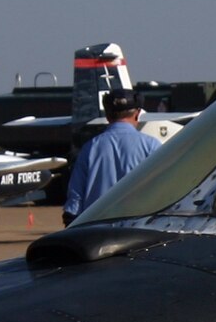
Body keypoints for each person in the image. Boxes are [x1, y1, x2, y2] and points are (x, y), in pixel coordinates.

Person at [62, 86, 158, 224]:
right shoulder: (152, 146)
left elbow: (75, 199)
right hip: (139, 231)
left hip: (97, 233)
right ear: (137, 114)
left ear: (107, 115)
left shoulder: (89, 148)